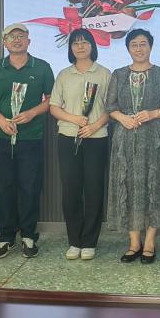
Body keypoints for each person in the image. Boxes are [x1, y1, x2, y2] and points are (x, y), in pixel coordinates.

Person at [0, 23, 54, 259]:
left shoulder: (42, 67)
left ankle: (29, 235)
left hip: (31, 137)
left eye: (21, 36)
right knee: (3, 187)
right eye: (11, 37)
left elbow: (51, 99)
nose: (17, 40)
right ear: (4, 43)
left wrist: (32, 113)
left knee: (30, 187)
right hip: (1, 136)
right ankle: (5, 237)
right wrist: (0, 120)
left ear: (29, 41)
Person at [106, 28, 160, 264]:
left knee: (154, 186)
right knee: (127, 185)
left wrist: (154, 113)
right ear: (128, 48)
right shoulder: (118, 74)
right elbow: (110, 106)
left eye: (143, 44)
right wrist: (122, 118)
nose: (139, 48)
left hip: (155, 138)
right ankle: (134, 242)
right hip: (125, 139)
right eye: (134, 45)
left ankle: (150, 242)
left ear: (151, 46)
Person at [49, 29, 111, 261]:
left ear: (92, 45)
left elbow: (111, 108)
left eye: (85, 42)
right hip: (68, 137)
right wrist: (74, 119)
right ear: (70, 48)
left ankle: (90, 242)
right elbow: (54, 107)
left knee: (94, 189)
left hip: (96, 137)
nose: (80, 46)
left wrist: (94, 126)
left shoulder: (104, 73)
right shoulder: (64, 75)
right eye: (76, 43)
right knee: (71, 190)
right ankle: (74, 240)